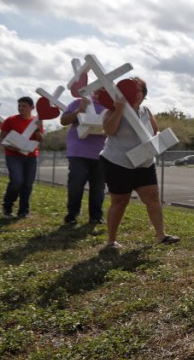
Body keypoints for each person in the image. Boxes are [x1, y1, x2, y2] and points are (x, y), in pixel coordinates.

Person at [99, 76, 179, 249]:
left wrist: (157, 139)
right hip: (118, 162)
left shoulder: (146, 111)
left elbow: (154, 131)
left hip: (144, 161)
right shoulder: (112, 109)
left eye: (137, 90)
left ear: (143, 94)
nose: (134, 93)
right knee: (120, 201)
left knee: (152, 197)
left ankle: (161, 235)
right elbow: (109, 130)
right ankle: (111, 241)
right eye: (129, 89)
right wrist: (119, 110)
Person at [59, 96, 107, 225]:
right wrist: (80, 109)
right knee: (76, 182)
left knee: (98, 187)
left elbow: (115, 129)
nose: (101, 90)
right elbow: (63, 121)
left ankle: (96, 216)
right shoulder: (79, 102)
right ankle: (72, 214)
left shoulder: (110, 107)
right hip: (78, 151)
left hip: (101, 153)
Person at [0, 96, 43, 218]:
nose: (21, 108)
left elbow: (41, 140)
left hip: (31, 155)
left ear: (32, 108)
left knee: (28, 183)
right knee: (17, 181)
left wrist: (38, 130)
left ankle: (23, 211)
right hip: (13, 155)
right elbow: (1, 139)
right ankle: (7, 208)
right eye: (19, 106)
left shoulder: (37, 121)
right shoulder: (10, 120)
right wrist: (12, 147)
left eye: (24, 106)